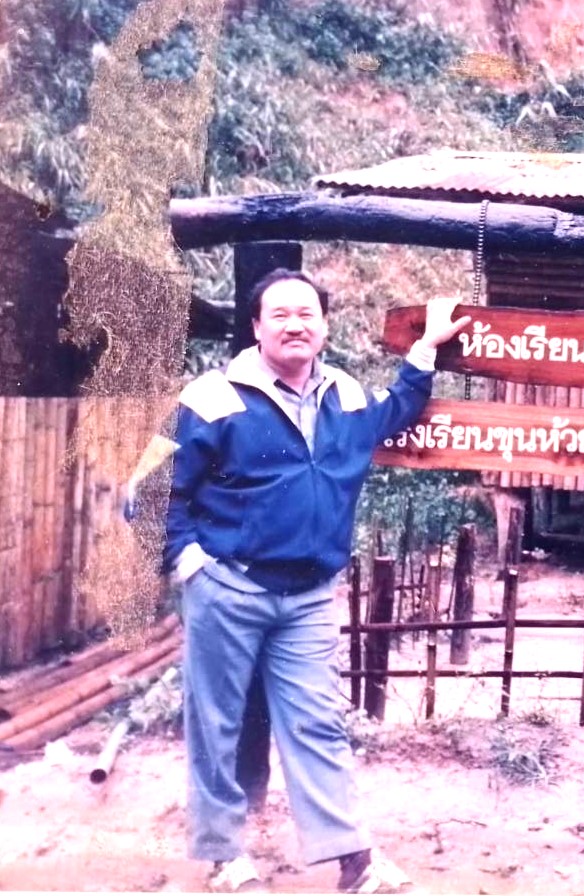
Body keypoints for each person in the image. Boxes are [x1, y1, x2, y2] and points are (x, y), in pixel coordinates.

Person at [162, 269, 469, 893]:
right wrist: (190, 564)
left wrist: (424, 352)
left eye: (307, 314)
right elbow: (149, 489)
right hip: (228, 588)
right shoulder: (211, 397)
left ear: (325, 326)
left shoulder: (344, 395)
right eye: (279, 314)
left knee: (317, 722)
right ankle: (224, 856)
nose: (295, 325)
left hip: (306, 598)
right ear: (256, 327)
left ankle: (352, 860)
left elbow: (393, 411)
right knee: (215, 724)